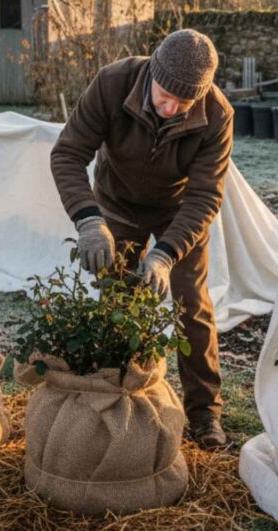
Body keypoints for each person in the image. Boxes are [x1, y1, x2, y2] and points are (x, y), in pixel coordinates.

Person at [50, 29, 234, 450]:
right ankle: (119, 396)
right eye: (165, 95)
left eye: (182, 104)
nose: (171, 109)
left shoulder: (218, 114)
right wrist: (88, 220)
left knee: (192, 304)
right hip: (116, 204)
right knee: (118, 299)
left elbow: (206, 194)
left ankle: (205, 413)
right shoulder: (112, 83)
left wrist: (166, 254)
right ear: (152, 71)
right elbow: (67, 153)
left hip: (178, 212)